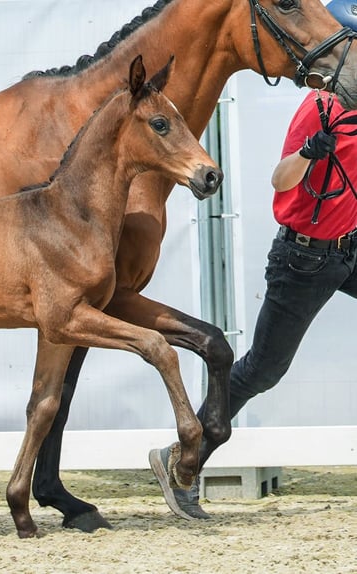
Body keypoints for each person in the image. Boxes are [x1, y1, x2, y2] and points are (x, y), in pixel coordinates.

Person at [150, 0, 357, 520]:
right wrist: (312, 152)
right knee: (262, 370)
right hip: (303, 259)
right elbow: (279, 181)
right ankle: (183, 457)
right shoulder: (321, 108)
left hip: (349, 246)